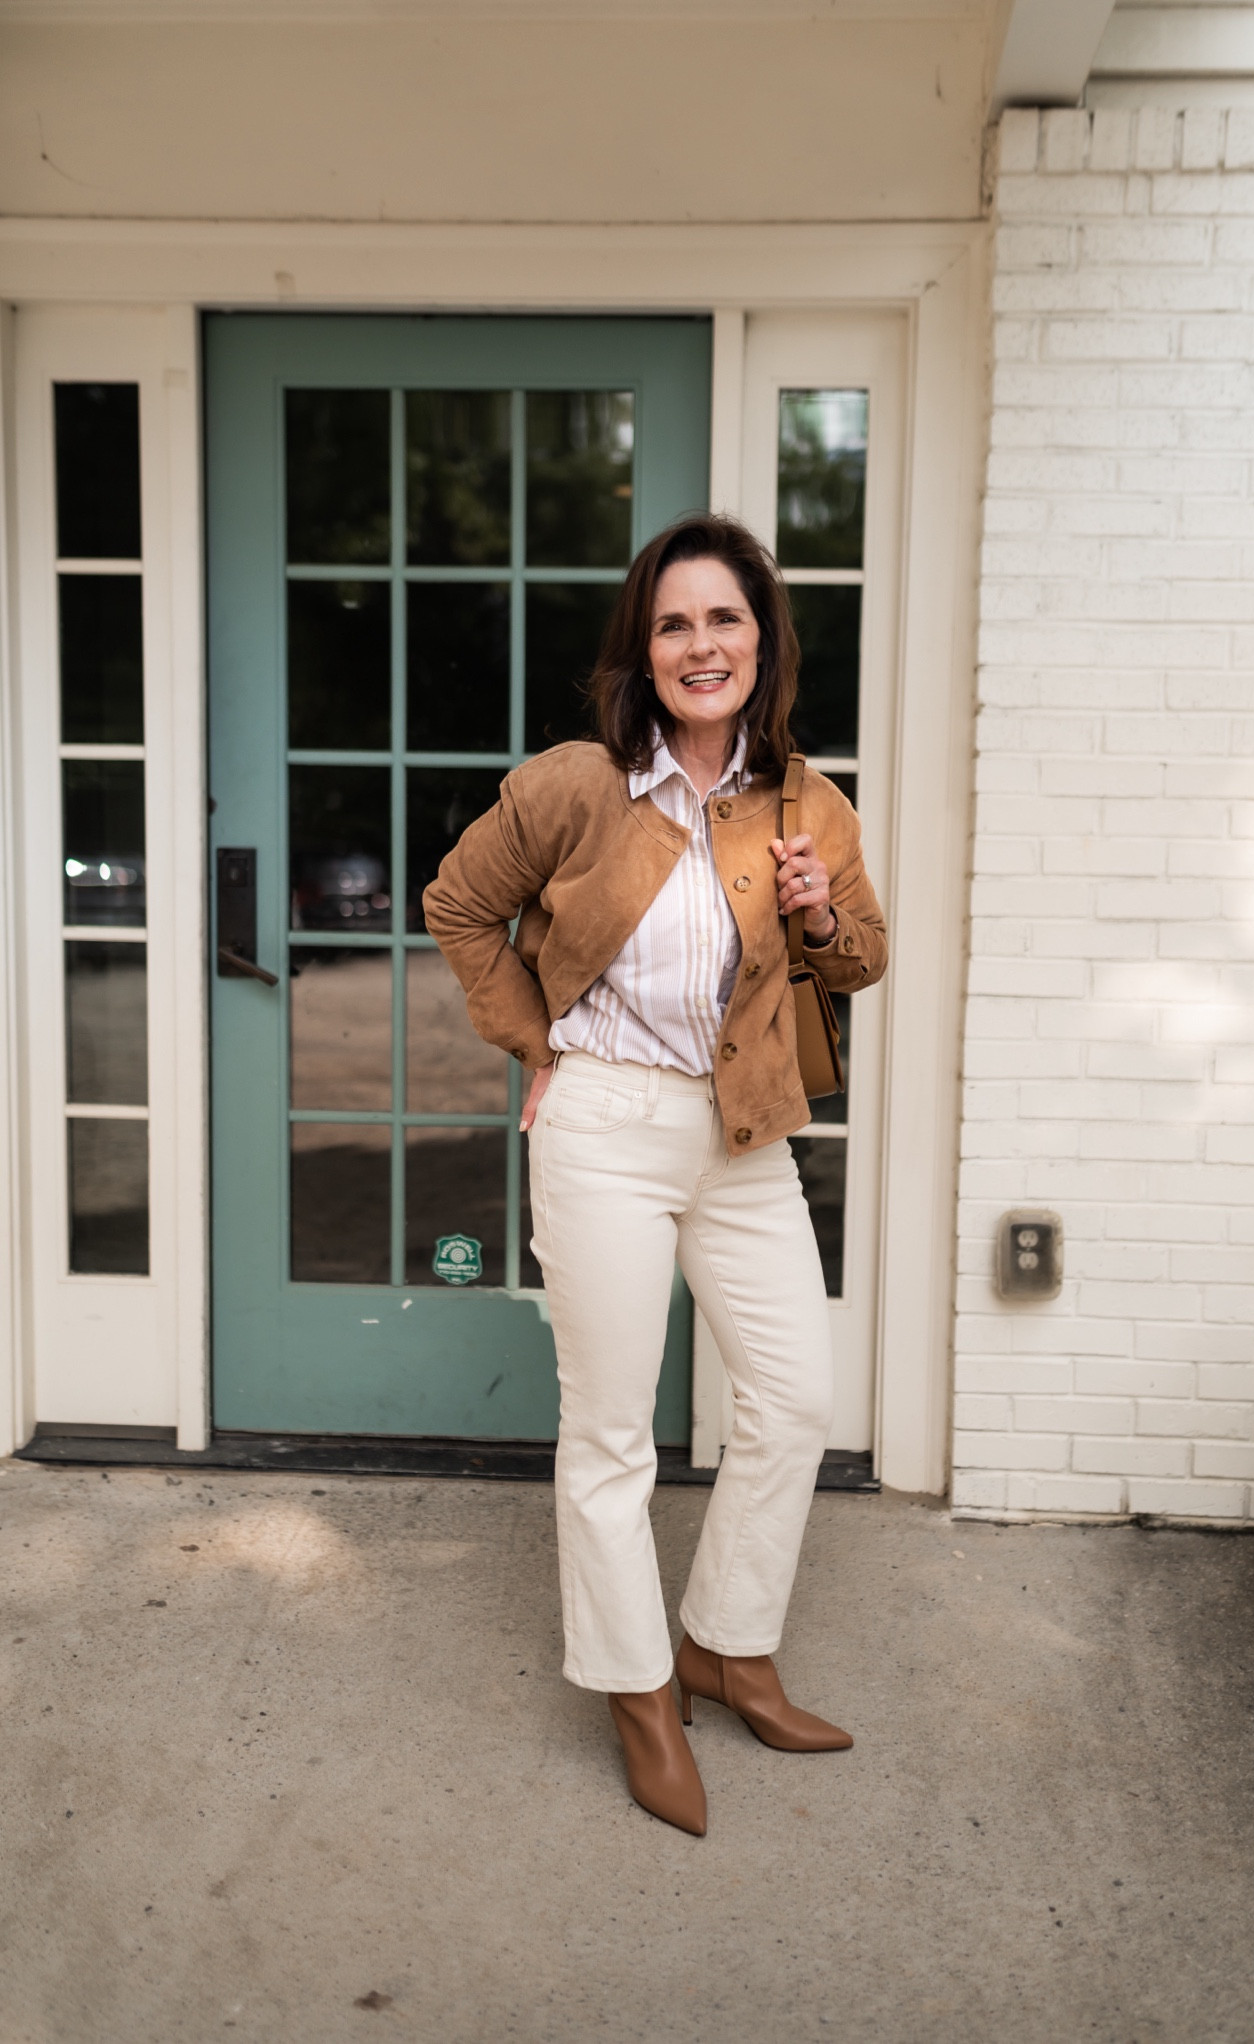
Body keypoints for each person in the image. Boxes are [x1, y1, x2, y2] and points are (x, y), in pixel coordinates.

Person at [424, 513, 888, 1836]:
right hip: (607, 1127)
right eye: (675, 622)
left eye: (725, 619)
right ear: (645, 646)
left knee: (795, 1398)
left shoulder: (808, 802)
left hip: (742, 1130)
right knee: (613, 1428)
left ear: (762, 640)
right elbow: (458, 904)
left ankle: (729, 1648)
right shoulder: (579, 786)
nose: (701, 645)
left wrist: (814, 913)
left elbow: (860, 962)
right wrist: (535, 1042)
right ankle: (636, 1690)